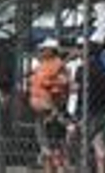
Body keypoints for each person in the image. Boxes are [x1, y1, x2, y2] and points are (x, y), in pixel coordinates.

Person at [29, 39, 71, 170]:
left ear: (51, 51)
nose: (41, 51)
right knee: (46, 149)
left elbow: (61, 86)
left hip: (51, 111)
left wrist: (53, 109)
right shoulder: (43, 65)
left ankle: (59, 169)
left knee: (55, 148)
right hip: (42, 111)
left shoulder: (57, 65)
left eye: (44, 49)